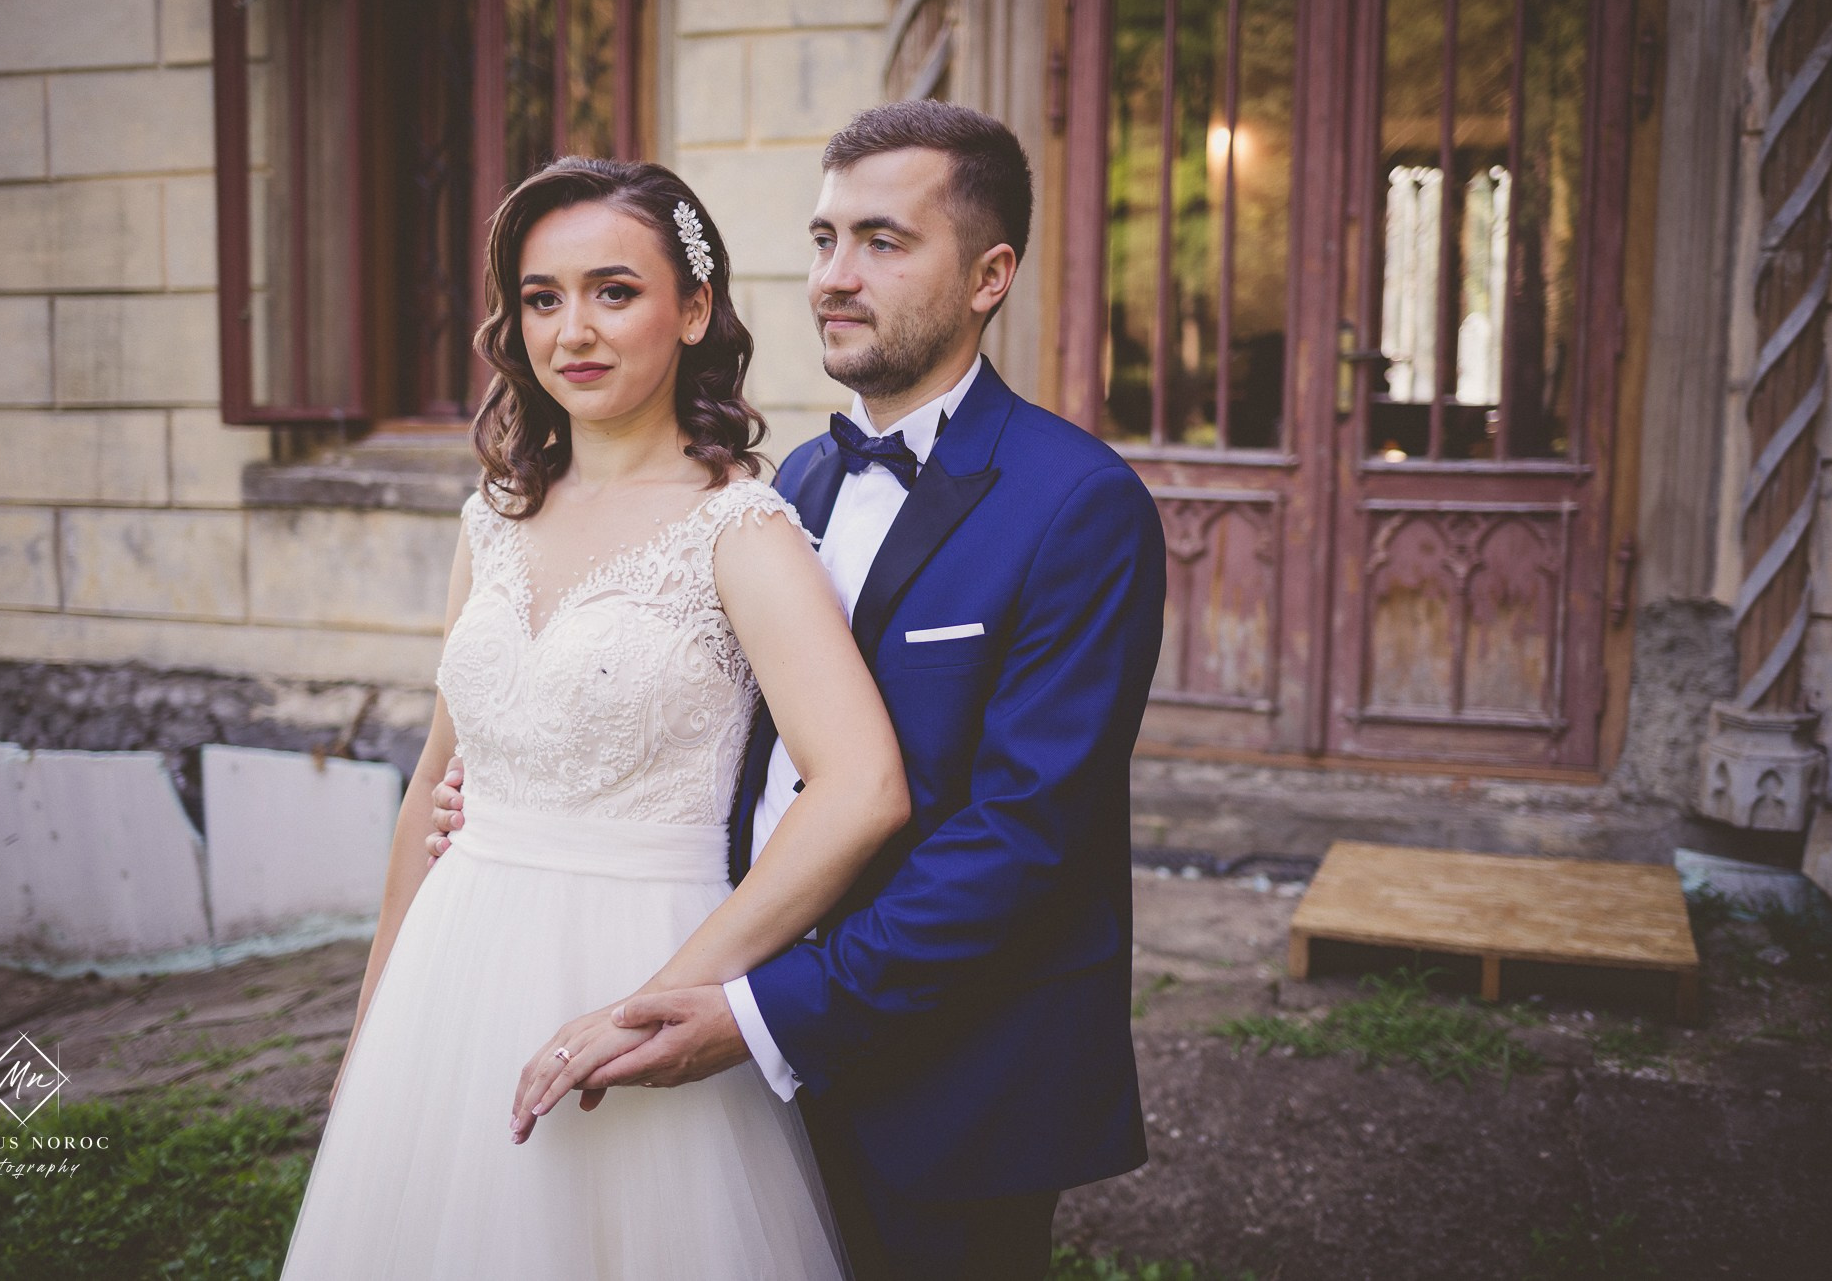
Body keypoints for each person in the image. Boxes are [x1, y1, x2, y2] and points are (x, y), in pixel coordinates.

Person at [430, 101, 1169, 1281]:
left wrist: (763, 1012)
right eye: (824, 240)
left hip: (951, 1068)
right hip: (740, 1021)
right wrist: (532, 781)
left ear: (989, 275)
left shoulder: (1077, 506)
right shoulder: (792, 486)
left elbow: (1025, 836)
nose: (835, 275)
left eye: (882, 241)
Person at [279, 157, 912, 1280]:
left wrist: (664, 1000)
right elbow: (436, 781)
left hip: (634, 951)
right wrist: (372, 1029)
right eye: (541, 297)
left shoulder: (740, 530)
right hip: (450, 974)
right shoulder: (491, 519)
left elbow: (861, 787)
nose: (573, 328)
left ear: (694, 309)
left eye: (613, 291)